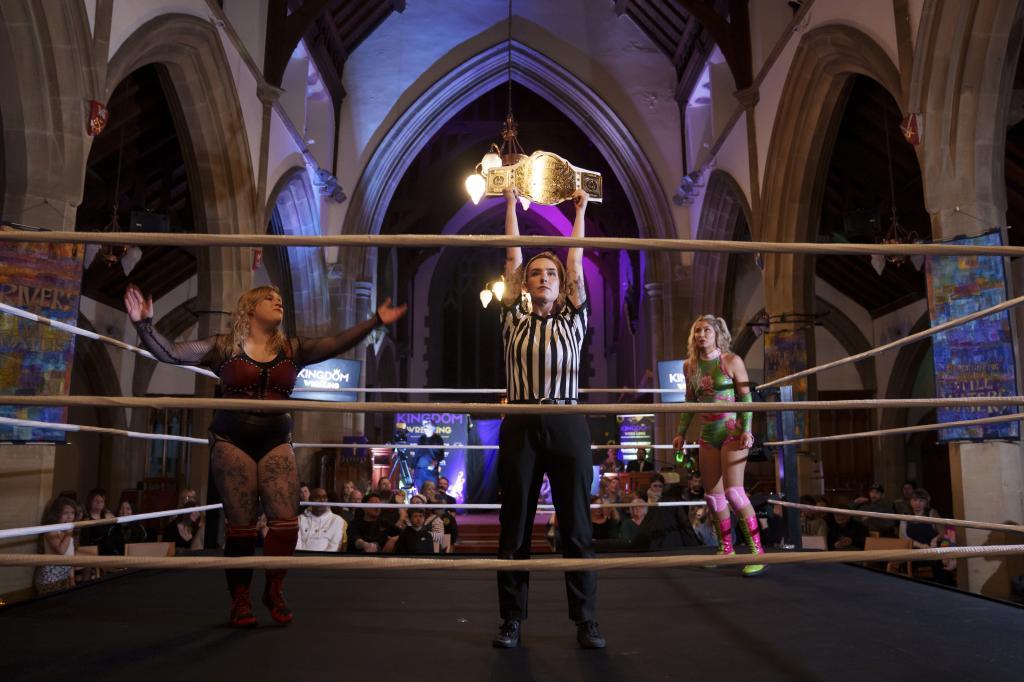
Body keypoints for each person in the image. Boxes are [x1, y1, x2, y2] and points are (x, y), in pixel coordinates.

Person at [125, 282, 406, 627]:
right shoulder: (223, 346)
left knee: (286, 521)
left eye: (279, 299)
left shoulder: (292, 348)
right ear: (249, 307)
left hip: (275, 437)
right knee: (241, 526)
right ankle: (240, 599)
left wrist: (375, 319)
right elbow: (171, 353)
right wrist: (143, 324)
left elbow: (336, 343)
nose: (279, 303)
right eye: (269, 299)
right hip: (231, 439)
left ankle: (274, 589)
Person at [493, 187, 605, 650]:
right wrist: (509, 205)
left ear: (561, 286)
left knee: (576, 525)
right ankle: (511, 620)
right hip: (520, 423)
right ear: (525, 284)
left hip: (566, 423)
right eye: (536, 274)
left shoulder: (572, 320)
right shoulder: (514, 320)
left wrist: (578, 211)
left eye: (550, 274)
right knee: (514, 526)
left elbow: (576, 262)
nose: (542, 278)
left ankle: (585, 621)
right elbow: (512, 257)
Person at [672, 315, 764, 576]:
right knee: (713, 496)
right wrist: (680, 433)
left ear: (717, 333)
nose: (701, 334)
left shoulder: (731, 361)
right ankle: (726, 549)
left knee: (735, 492)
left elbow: (746, 399)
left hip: (731, 431)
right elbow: (689, 401)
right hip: (707, 434)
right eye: (697, 330)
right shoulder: (689, 366)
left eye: (707, 330)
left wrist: (747, 429)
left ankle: (757, 551)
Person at [34, 496, 77, 595]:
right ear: (57, 514)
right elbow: (61, 551)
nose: (69, 517)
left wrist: (72, 579)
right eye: (65, 513)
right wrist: (69, 534)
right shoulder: (51, 529)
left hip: (64, 575)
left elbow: (71, 556)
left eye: (72, 513)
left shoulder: (66, 529)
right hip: (50, 577)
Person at [296, 488, 346, 552]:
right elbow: (297, 545)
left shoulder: (337, 520)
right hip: (301, 559)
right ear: (310, 500)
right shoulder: (300, 519)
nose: (322, 500)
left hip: (327, 560)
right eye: (317, 497)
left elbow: (334, 547)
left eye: (324, 497)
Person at [414, 421, 445, 492]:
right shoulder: (421, 438)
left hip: (431, 471)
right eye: (424, 427)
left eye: (426, 426)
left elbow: (441, 455)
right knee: (420, 491)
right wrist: (412, 466)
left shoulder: (438, 439)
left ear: (432, 428)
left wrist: (436, 462)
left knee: (432, 492)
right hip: (420, 470)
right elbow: (417, 453)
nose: (424, 428)